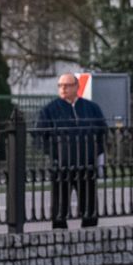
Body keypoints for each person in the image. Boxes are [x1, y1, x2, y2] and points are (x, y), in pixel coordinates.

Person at [37, 73, 106, 229]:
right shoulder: (49, 110)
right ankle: (59, 232)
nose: (63, 89)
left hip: (86, 164)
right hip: (61, 166)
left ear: (76, 87)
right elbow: (40, 136)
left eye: (67, 85)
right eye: (60, 86)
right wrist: (54, 155)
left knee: (89, 204)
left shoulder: (91, 108)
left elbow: (102, 132)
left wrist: (95, 154)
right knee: (60, 205)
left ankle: (90, 231)